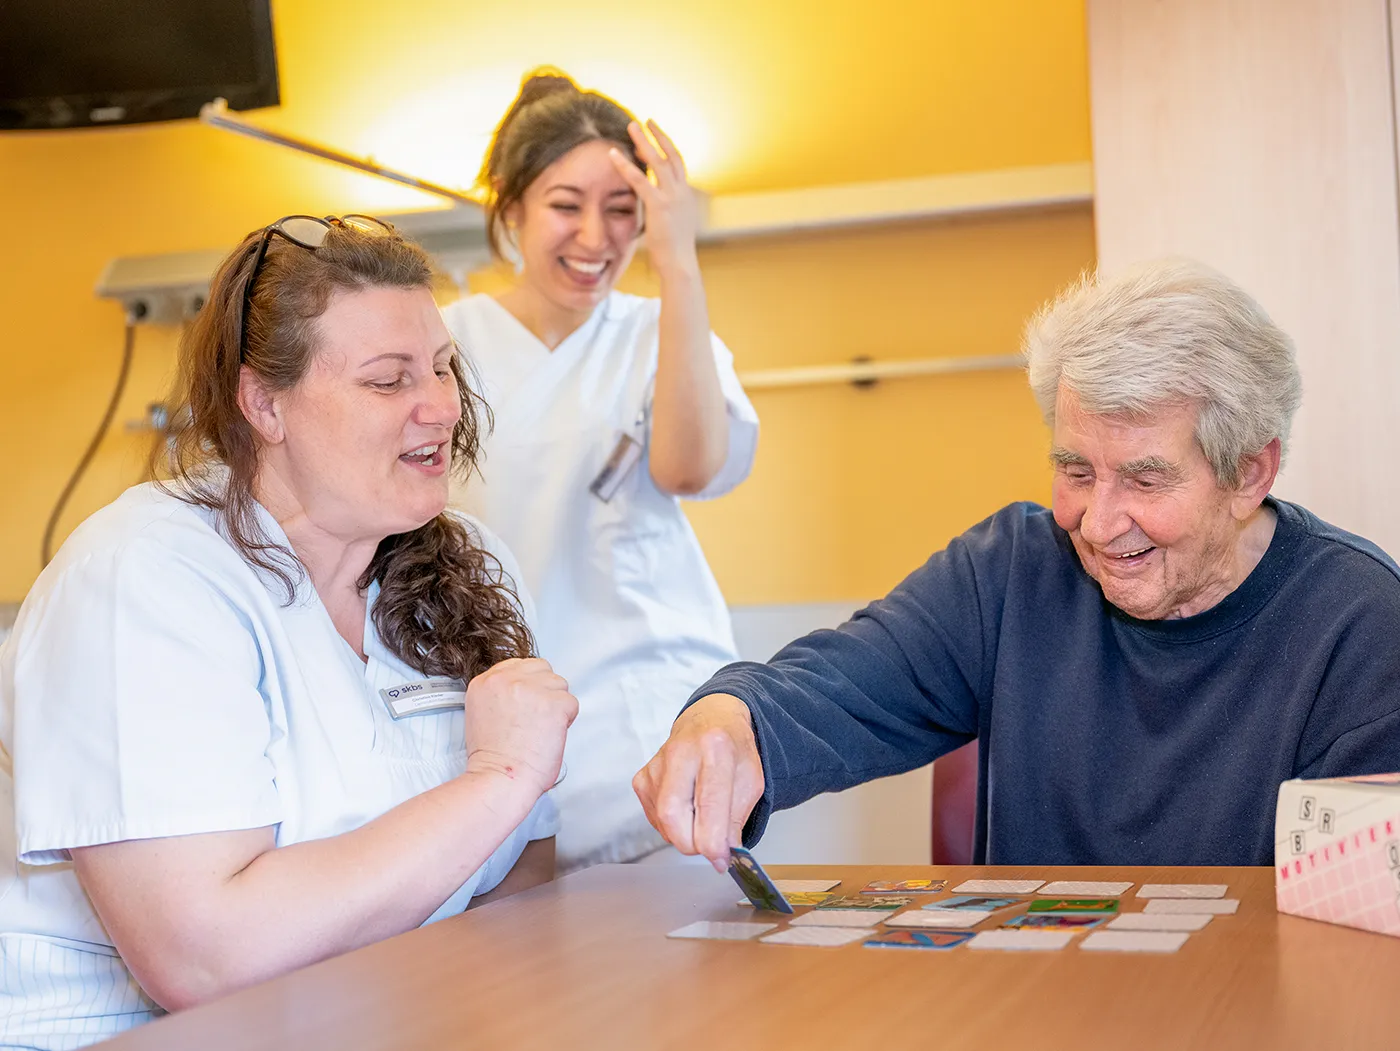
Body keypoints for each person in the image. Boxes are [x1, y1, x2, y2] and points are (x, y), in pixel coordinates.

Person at [0, 215, 578, 1048]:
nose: (442, 407)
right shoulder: (143, 578)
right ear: (265, 403)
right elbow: (202, 960)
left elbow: (520, 874)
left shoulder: (469, 562)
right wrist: (498, 775)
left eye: (445, 368)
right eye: (388, 381)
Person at [633, 258, 1400, 871]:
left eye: (1144, 478)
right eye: (1075, 470)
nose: (1097, 525)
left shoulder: (1360, 623)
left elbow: (1354, 932)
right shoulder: (1010, 573)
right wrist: (732, 718)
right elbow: (839, 684)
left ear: (1250, 474)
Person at [442, 71, 758, 870]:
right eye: (565, 205)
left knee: (680, 979)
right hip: (492, 729)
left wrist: (677, 261)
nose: (595, 238)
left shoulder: (663, 331)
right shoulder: (448, 343)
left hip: (650, 726)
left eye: (624, 210)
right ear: (511, 208)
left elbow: (690, 467)